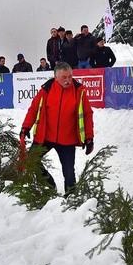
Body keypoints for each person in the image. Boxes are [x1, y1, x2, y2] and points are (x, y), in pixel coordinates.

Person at [21, 62, 94, 196]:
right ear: (56, 77)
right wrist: (26, 127)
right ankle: (49, 185)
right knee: (31, 160)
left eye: (70, 77)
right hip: (46, 137)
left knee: (69, 174)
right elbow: (33, 109)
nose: (68, 80)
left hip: (67, 140)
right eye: (64, 77)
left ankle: (71, 199)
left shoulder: (79, 91)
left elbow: (87, 114)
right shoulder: (46, 89)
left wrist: (89, 137)